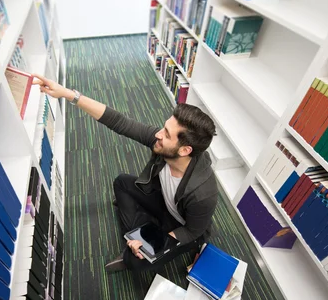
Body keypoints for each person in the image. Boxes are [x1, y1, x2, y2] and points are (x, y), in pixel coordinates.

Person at [32, 74, 218, 273]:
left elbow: (192, 231)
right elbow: (121, 122)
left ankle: (140, 237)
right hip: (165, 204)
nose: (158, 134)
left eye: (166, 134)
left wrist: (156, 242)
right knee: (121, 182)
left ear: (184, 150)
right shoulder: (164, 145)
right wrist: (69, 95)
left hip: (182, 226)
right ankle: (140, 234)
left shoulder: (203, 194)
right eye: (163, 128)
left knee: (134, 262)